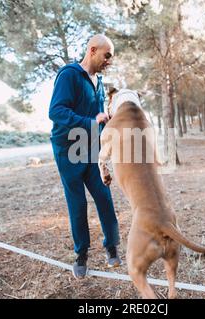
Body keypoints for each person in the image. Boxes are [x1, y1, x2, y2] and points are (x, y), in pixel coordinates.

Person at [48, 34, 121, 279]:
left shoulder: (99, 81)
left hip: (92, 149)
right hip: (67, 150)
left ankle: (112, 248)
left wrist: (105, 136)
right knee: (77, 203)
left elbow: (98, 116)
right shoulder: (69, 75)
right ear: (92, 50)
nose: (109, 61)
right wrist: (91, 121)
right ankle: (81, 256)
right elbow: (56, 112)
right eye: (106, 55)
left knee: (104, 197)